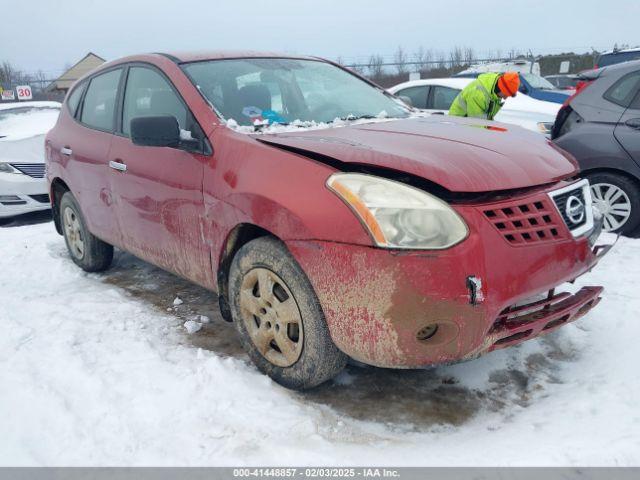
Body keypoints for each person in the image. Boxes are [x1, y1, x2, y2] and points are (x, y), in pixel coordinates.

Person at [449, 72, 520, 120]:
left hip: (470, 124)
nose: (505, 98)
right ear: (501, 88)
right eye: (506, 94)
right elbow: (477, 124)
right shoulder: (478, 94)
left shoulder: (494, 90)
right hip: (458, 125)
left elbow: (486, 119)